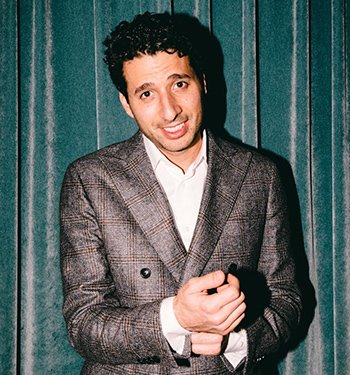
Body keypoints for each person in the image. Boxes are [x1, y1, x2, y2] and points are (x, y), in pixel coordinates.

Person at [60, 12, 302, 375]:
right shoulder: (90, 179)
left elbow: (287, 299)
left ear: (202, 82)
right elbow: (83, 323)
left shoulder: (261, 174)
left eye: (179, 84)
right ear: (126, 103)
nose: (169, 111)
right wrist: (175, 318)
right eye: (146, 93)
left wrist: (235, 341)